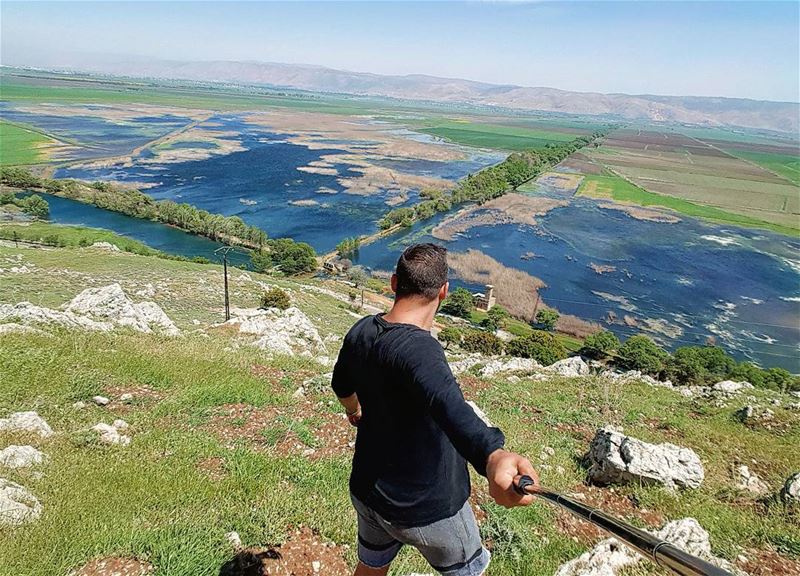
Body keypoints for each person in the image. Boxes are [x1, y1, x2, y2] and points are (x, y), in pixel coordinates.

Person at [332, 243, 539, 576]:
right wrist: (492, 456)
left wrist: (353, 410)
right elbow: (449, 405)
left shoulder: (361, 331)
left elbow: (341, 384)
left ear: (394, 283)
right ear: (444, 291)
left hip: (369, 492)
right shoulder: (422, 350)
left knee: (371, 567)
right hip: (428, 507)